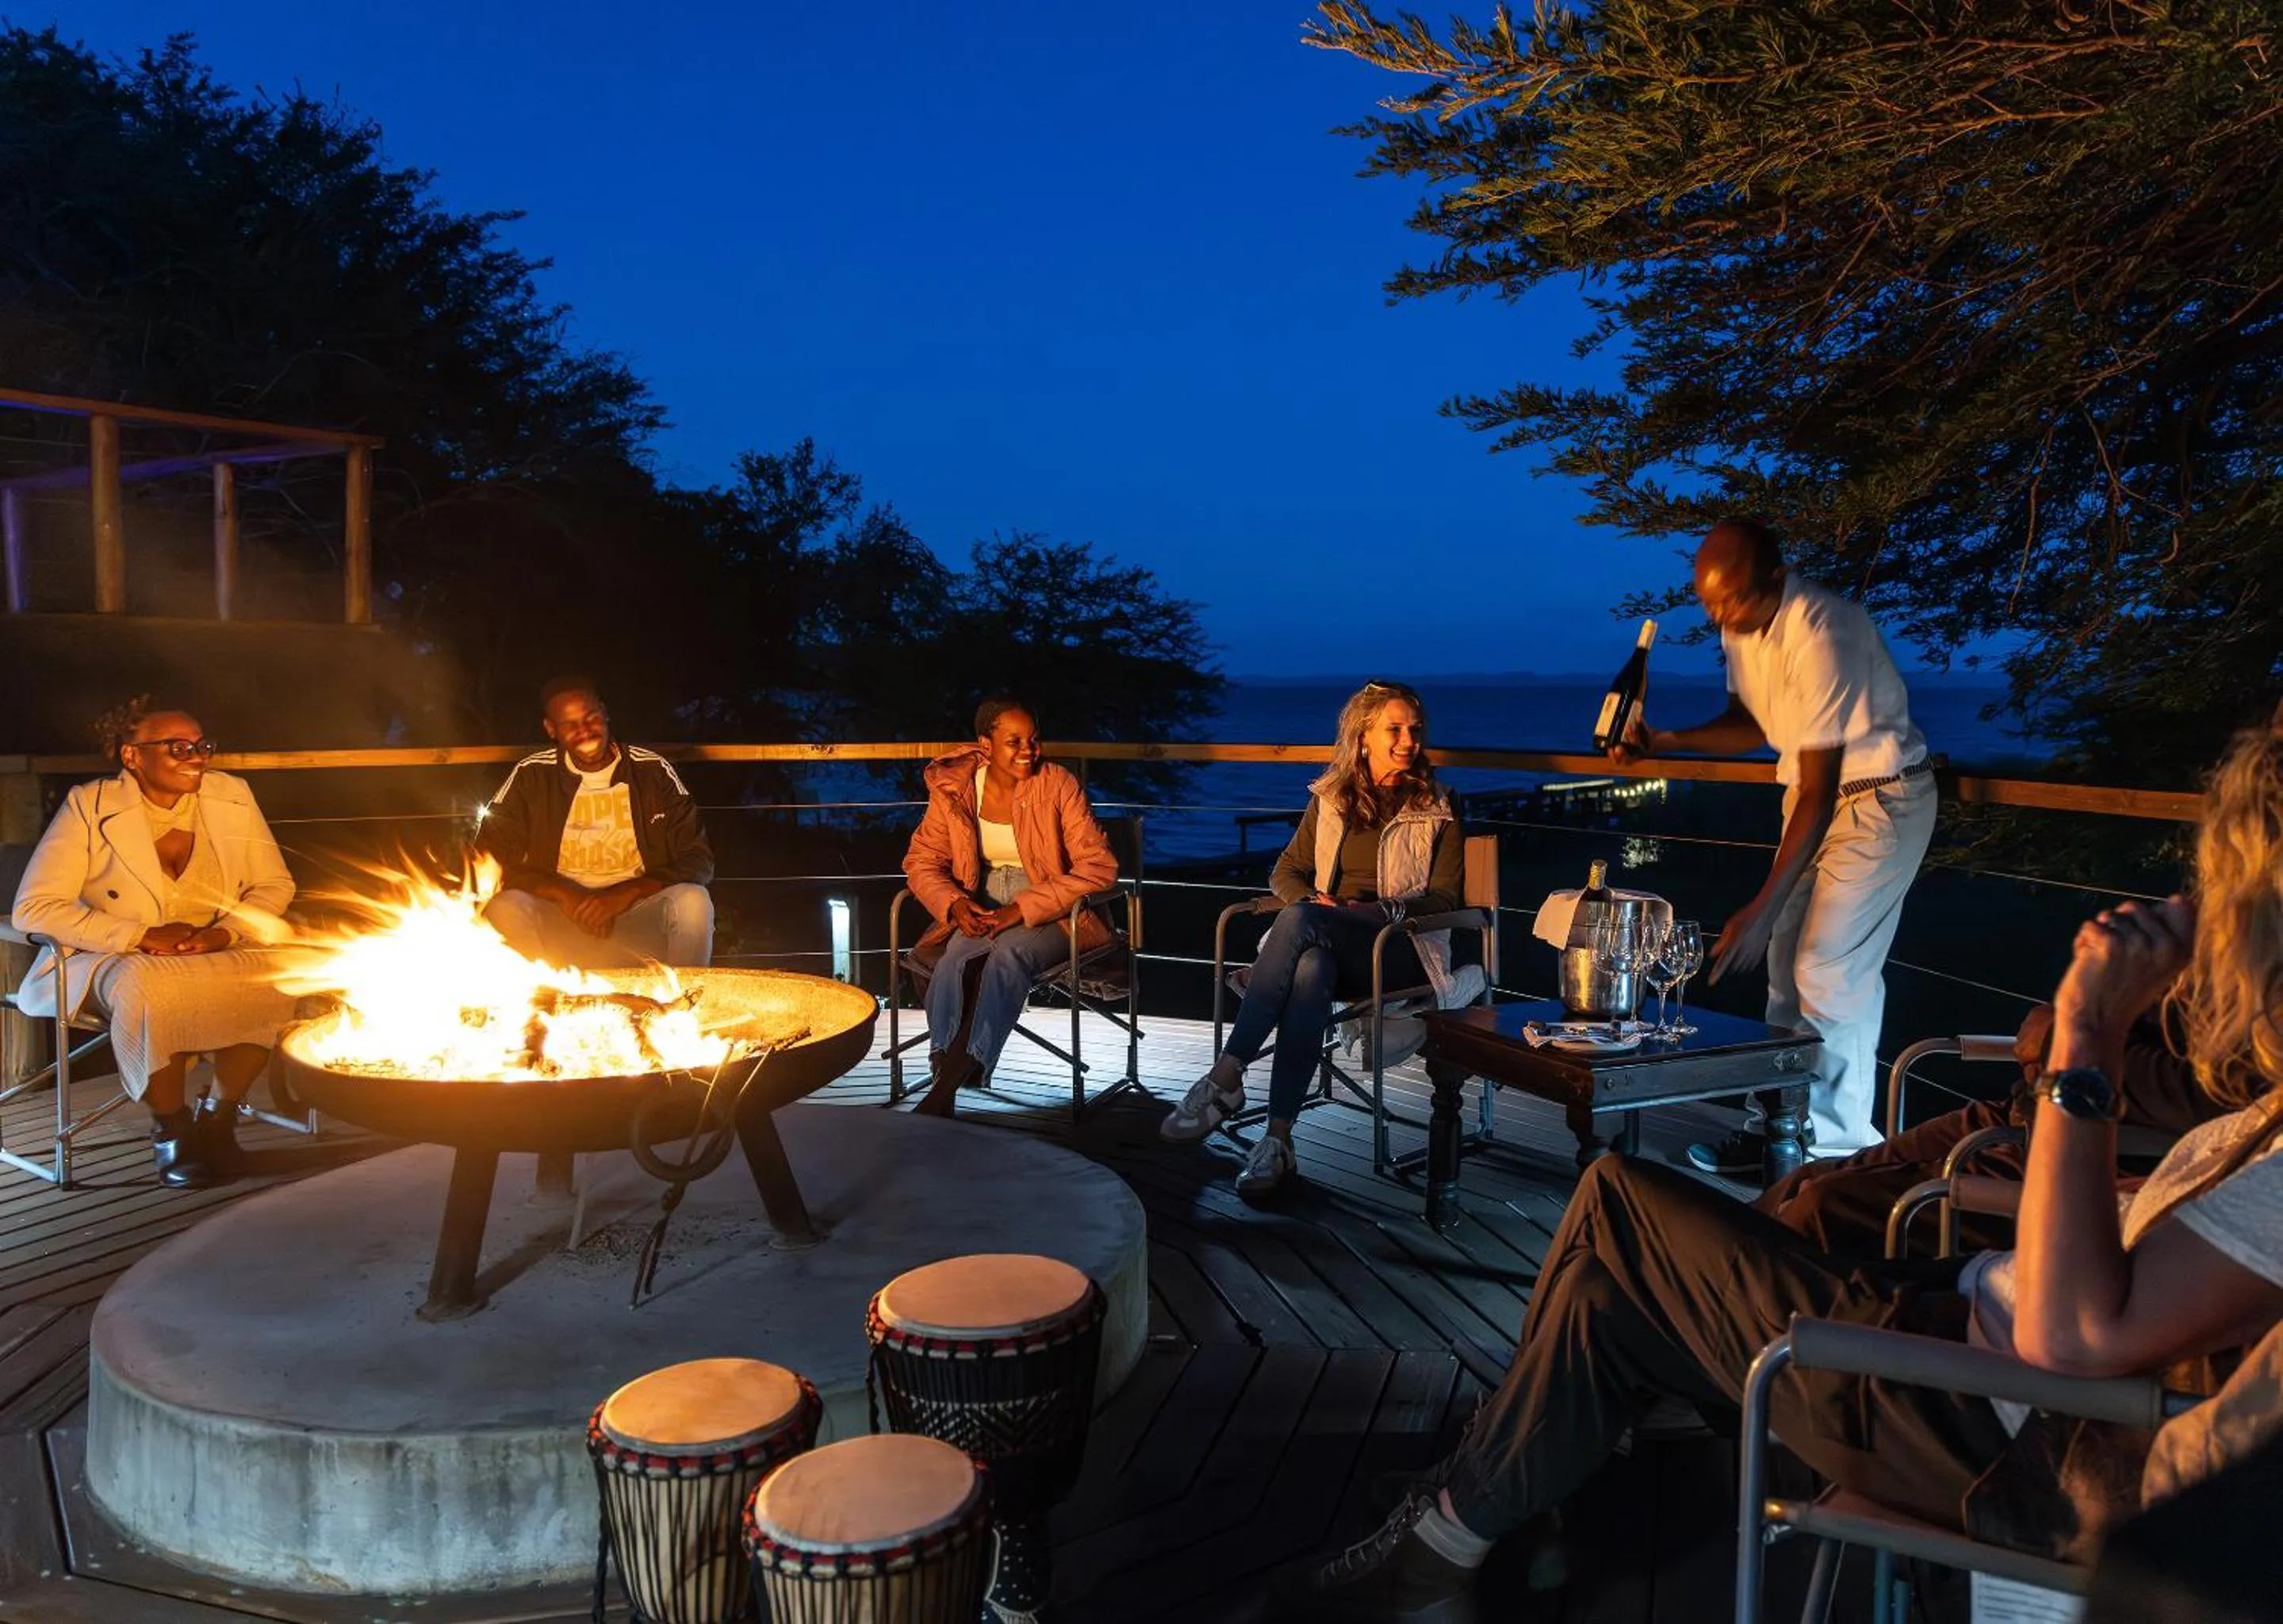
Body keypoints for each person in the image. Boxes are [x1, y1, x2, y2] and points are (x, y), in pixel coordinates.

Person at [1281, 718, 2283, 1622]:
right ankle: (1469, 1512)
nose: (2194, 911)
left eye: (2219, 892)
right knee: (1610, 1272)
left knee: (1616, 1203)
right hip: (1959, 1324)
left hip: (1974, 1416)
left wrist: (2087, 1027)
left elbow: (2075, 1336)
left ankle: (1462, 1509)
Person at [1612, 517, 1935, 1178]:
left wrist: (1759, 908)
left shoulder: (1822, 631)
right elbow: (1748, 724)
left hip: (1878, 800)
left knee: (1828, 974)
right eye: (1708, 604)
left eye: (1730, 600)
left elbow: (1820, 788)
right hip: (1813, 802)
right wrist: (1664, 743)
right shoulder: (1741, 628)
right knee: (1785, 977)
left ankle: (1835, 1154)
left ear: (1777, 578)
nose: (1720, 615)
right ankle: (1777, 1130)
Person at [1159, 680, 1474, 1201]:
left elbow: (1444, 896)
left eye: (1414, 729)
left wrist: (1378, 909)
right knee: (1309, 969)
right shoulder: (1330, 800)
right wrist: (1314, 903)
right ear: (1362, 737)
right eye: (1393, 729)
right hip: (1327, 945)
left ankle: (1226, 1074)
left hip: (1398, 947)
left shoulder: (1438, 805)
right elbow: (1285, 871)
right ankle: (1277, 1141)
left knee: (1303, 923)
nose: (1407, 740)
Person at [10, 699, 300, 1189]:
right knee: (147, 987)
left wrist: (223, 932)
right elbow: (34, 909)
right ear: (132, 757)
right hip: (114, 953)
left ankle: (218, 1120)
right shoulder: (90, 806)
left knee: (275, 974)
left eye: (202, 745)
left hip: (211, 946)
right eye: (178, 747)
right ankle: (173, 1130)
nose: (197, 757)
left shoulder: (232, 796)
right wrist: (139, 936)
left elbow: (275, 886)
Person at [1762, 998, 2224, 1256]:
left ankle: (1745, 1383)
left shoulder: (2262, 994)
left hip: (2097, 1159)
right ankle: (1706, 1346)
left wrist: (2065, 1039)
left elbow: (2208, 1094)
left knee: (1823, 1208)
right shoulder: (2212, 956)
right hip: (2014, 1115)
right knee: (1803, 1181)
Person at [899, 697, 1118, 1118]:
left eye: (1033, 739)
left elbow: (1099, 866)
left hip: (1051, 906)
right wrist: (954, 903)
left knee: (1007, 955)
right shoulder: (956, 790)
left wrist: (1020, 909)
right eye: (1013, 740)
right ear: (985, 744)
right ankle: (945, 1069)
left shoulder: (1057, 784)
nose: (1028, 750)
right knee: (954, 961)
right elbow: (922, 861)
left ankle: (941, 1095)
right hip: (979, 901)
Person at [475, 676, 714, 970]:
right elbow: (488, 856)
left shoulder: (651, 771)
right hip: (559, 916)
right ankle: (538, 1006)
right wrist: (564, 894)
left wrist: (624, 894)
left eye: (591, 718)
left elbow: (698, 858)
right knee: (505, 907)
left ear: (604, 713)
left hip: (636, 914)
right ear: (551, 729)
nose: (584, 731)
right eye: (569, 725)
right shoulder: (532, 775)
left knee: (694, 900)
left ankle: (686, 1006)